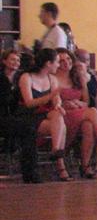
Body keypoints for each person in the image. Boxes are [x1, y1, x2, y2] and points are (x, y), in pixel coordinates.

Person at [55, 48, 97, 177]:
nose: (66, 63)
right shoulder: (52, 79)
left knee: (89, 125)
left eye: (68, 59)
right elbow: (53, 102)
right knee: (92, 112)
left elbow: (86, 101)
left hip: (79, 113)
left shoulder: (77, 77)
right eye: (61, 60)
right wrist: (65, 104)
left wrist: (79, 103)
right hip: (62, 116)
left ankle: (85, 165)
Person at [16, 49, 70, 181]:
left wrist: (58, 105)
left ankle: (55, 149)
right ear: (48, 63)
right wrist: (50, 96)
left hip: (46, 115)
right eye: (57, 62)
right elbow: (29, 103)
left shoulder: (52, 79)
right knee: (62, 127)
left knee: (58, 115)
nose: (58, 65)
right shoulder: (26, 77)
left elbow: (56, 99)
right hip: (28, 116)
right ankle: (60, 165)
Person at [1, 48, 40, 183]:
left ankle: (30, 172)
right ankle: (30, 173)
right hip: (2, 117)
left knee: (29, 128)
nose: (16, 62)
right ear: (4, 61)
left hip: (13, 117)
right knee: (27, 128)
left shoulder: (20, 78)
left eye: (18, 60)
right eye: (12, 59)